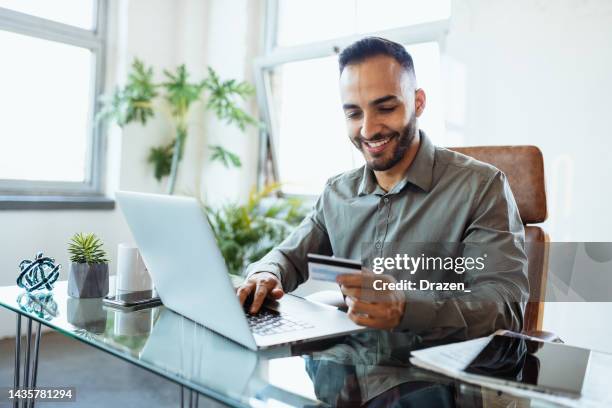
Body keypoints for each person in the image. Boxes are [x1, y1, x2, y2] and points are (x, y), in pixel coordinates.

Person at [237, 37, 529, 340]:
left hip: (434, 377)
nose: (368, 129)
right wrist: (265, 273)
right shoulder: (338, 193)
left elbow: (504, 307)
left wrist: (406, 308)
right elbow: (289, 257)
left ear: (418, 102)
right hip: (348, 374)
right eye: (353, 114)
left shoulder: (480, 187)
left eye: (385, 108)